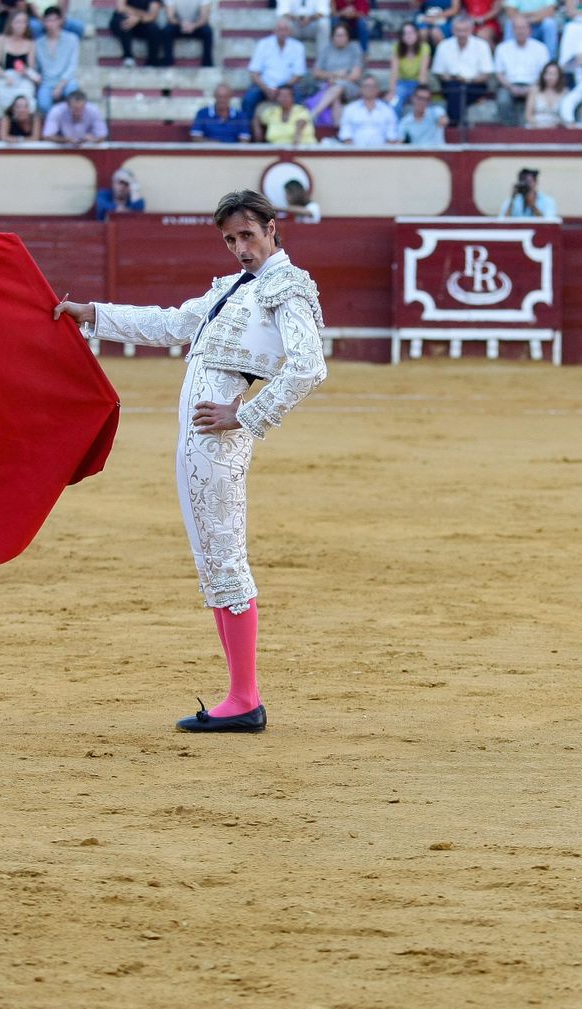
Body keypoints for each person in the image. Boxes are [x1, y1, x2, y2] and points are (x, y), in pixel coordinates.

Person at [53, 189, 328, 736]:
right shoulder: (232, 288)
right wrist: (96, 315)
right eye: (230, 240)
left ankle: (245, 698)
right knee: (213, 561)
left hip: (219, 441)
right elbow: (170, 324)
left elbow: (309, 366)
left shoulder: (286, 285)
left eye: (247, 235)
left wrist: (247, 416)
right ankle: (239, 695)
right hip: (197, 442)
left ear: (272, 228)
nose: (239, 248)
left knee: (225, 560)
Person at [431, 15, 494, 128]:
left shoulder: (482, 45)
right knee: (456, 89)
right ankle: (458, 124)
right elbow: (439, 73)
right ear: (453, 30)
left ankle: (453, 124)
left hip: (474, 85)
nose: (461, 34)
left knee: (458, 91)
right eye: (458, 30)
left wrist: (467, 80)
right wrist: (452, 78)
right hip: (451, 84)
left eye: (464, 30)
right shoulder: (443, 46)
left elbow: (485, 75)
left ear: (471, 30)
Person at [242, 16, 307, 120]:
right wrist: (267, 89)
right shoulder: (263, 44)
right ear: (275, 31)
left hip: (287, 86)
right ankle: (246, 132)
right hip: (264, 85)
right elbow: (254, 72)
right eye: (280, 29)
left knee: (299, 102)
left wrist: (282, 91)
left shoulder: (298, 47)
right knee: (248, 100)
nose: (282, 32)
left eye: (285, 29)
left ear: (290, 31)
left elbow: (298, 75)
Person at [494, 13, 548, 125]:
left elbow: (544, 73)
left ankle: (528, 130)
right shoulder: (502, 48)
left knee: (538, 98)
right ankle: (510, 131)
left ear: (530, 30)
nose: (520, 31)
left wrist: (532, 88)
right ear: (512, 30)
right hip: (509, 85)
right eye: (517, 28)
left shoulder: (541, 48)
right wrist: (511, 87)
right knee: (503, 100)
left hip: (534, 86)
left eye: (523, 28)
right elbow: (499, 73)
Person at [309, 21, 364, 123]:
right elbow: (316, 72)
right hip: (329, 85)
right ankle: (336, 130)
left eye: (343, 35)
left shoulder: (354, 48)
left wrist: (337, 80)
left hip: (350, 86)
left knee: (338, 86)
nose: (340, 38)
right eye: (337, 35)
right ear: (332, 37)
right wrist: (334, 75)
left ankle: (314, 114)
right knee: (335, 98)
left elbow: (356, 75)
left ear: (348, 37)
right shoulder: (327, 49)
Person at [0, 9, 39, 108]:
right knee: (6, 96)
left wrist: (24, 70)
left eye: (24, 22)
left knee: (26, 98)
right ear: (11, 23)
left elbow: (30, 67)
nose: (21, 25)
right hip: (5, 77)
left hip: (22, 79)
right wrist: (5, 76)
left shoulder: (31, 43)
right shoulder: (0, 40)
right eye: (17, 22)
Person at [34, 6, 80, 113]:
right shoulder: (38, 43)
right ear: (43, 22)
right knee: (43, 104)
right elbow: (37, 67)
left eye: (54, 20)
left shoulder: (72, 39)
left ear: (60, 20)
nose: (51, 24)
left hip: (67, 81)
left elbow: (72, 66)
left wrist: (60, 85)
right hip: (47, 82)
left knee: (72, 95)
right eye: (48, 20)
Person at [337, 73, 399, 144]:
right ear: (361, 88)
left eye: (373, 86)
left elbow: (391, 136)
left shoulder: (387, 110)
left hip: (381, 152)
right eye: (367, 86)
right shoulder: (350, 109)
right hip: (355, 152)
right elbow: (345, 135)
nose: (370, 89)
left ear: (378, 89)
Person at [390, 21, 431, 114]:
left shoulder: (424, 47)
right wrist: (392, 91)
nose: (408, 36)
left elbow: (423, 73)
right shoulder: (397, 47)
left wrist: (420, 91)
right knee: (393, 103)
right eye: (405, 33)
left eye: (411, 33)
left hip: (418, 83)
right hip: (401, 84)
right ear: (401, 37)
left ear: (417, 34)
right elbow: (394, 72)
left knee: (422, 102)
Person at [109, 0, 167, 67]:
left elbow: (152, 16)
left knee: (154, 29)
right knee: (124, 21)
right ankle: (128, 58)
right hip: (123, 20)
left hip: (141, 22)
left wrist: (138, 18)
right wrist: (139, 15)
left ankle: (152, 62)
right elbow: (121, 8)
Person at [164, 0, 214, 67]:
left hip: (196, 26)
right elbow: (170, 17)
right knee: (167, 30)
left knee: (207, 31)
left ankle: (207, 65)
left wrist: (194, 25)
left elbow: (204, 18)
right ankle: (168, 64)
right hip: (179, 25)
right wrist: (181, 24)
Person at [524, 59, 565, 129]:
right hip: (535, 127)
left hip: (556, 129)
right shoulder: (534, 90)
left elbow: (565, 117)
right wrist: (539, 125)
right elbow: (528, 115)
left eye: (553, 74)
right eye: (547, 73)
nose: (550, 77)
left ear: (559, 76)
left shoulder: (565, 92)